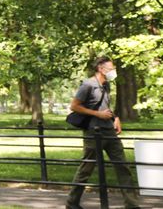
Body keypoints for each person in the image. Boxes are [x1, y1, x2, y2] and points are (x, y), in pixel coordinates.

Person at [65, 55, 143, 209]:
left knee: (123, 167)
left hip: (109, 132)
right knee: (86, 169)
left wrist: (115, 118)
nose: (113, 71)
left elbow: (105, 107)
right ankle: (71, 203)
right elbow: (74, 106)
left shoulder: (107, 85)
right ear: (101, 68)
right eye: (111, 68)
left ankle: (132, 205)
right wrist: (97, 115)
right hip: (93, 133)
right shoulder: (88, 85)